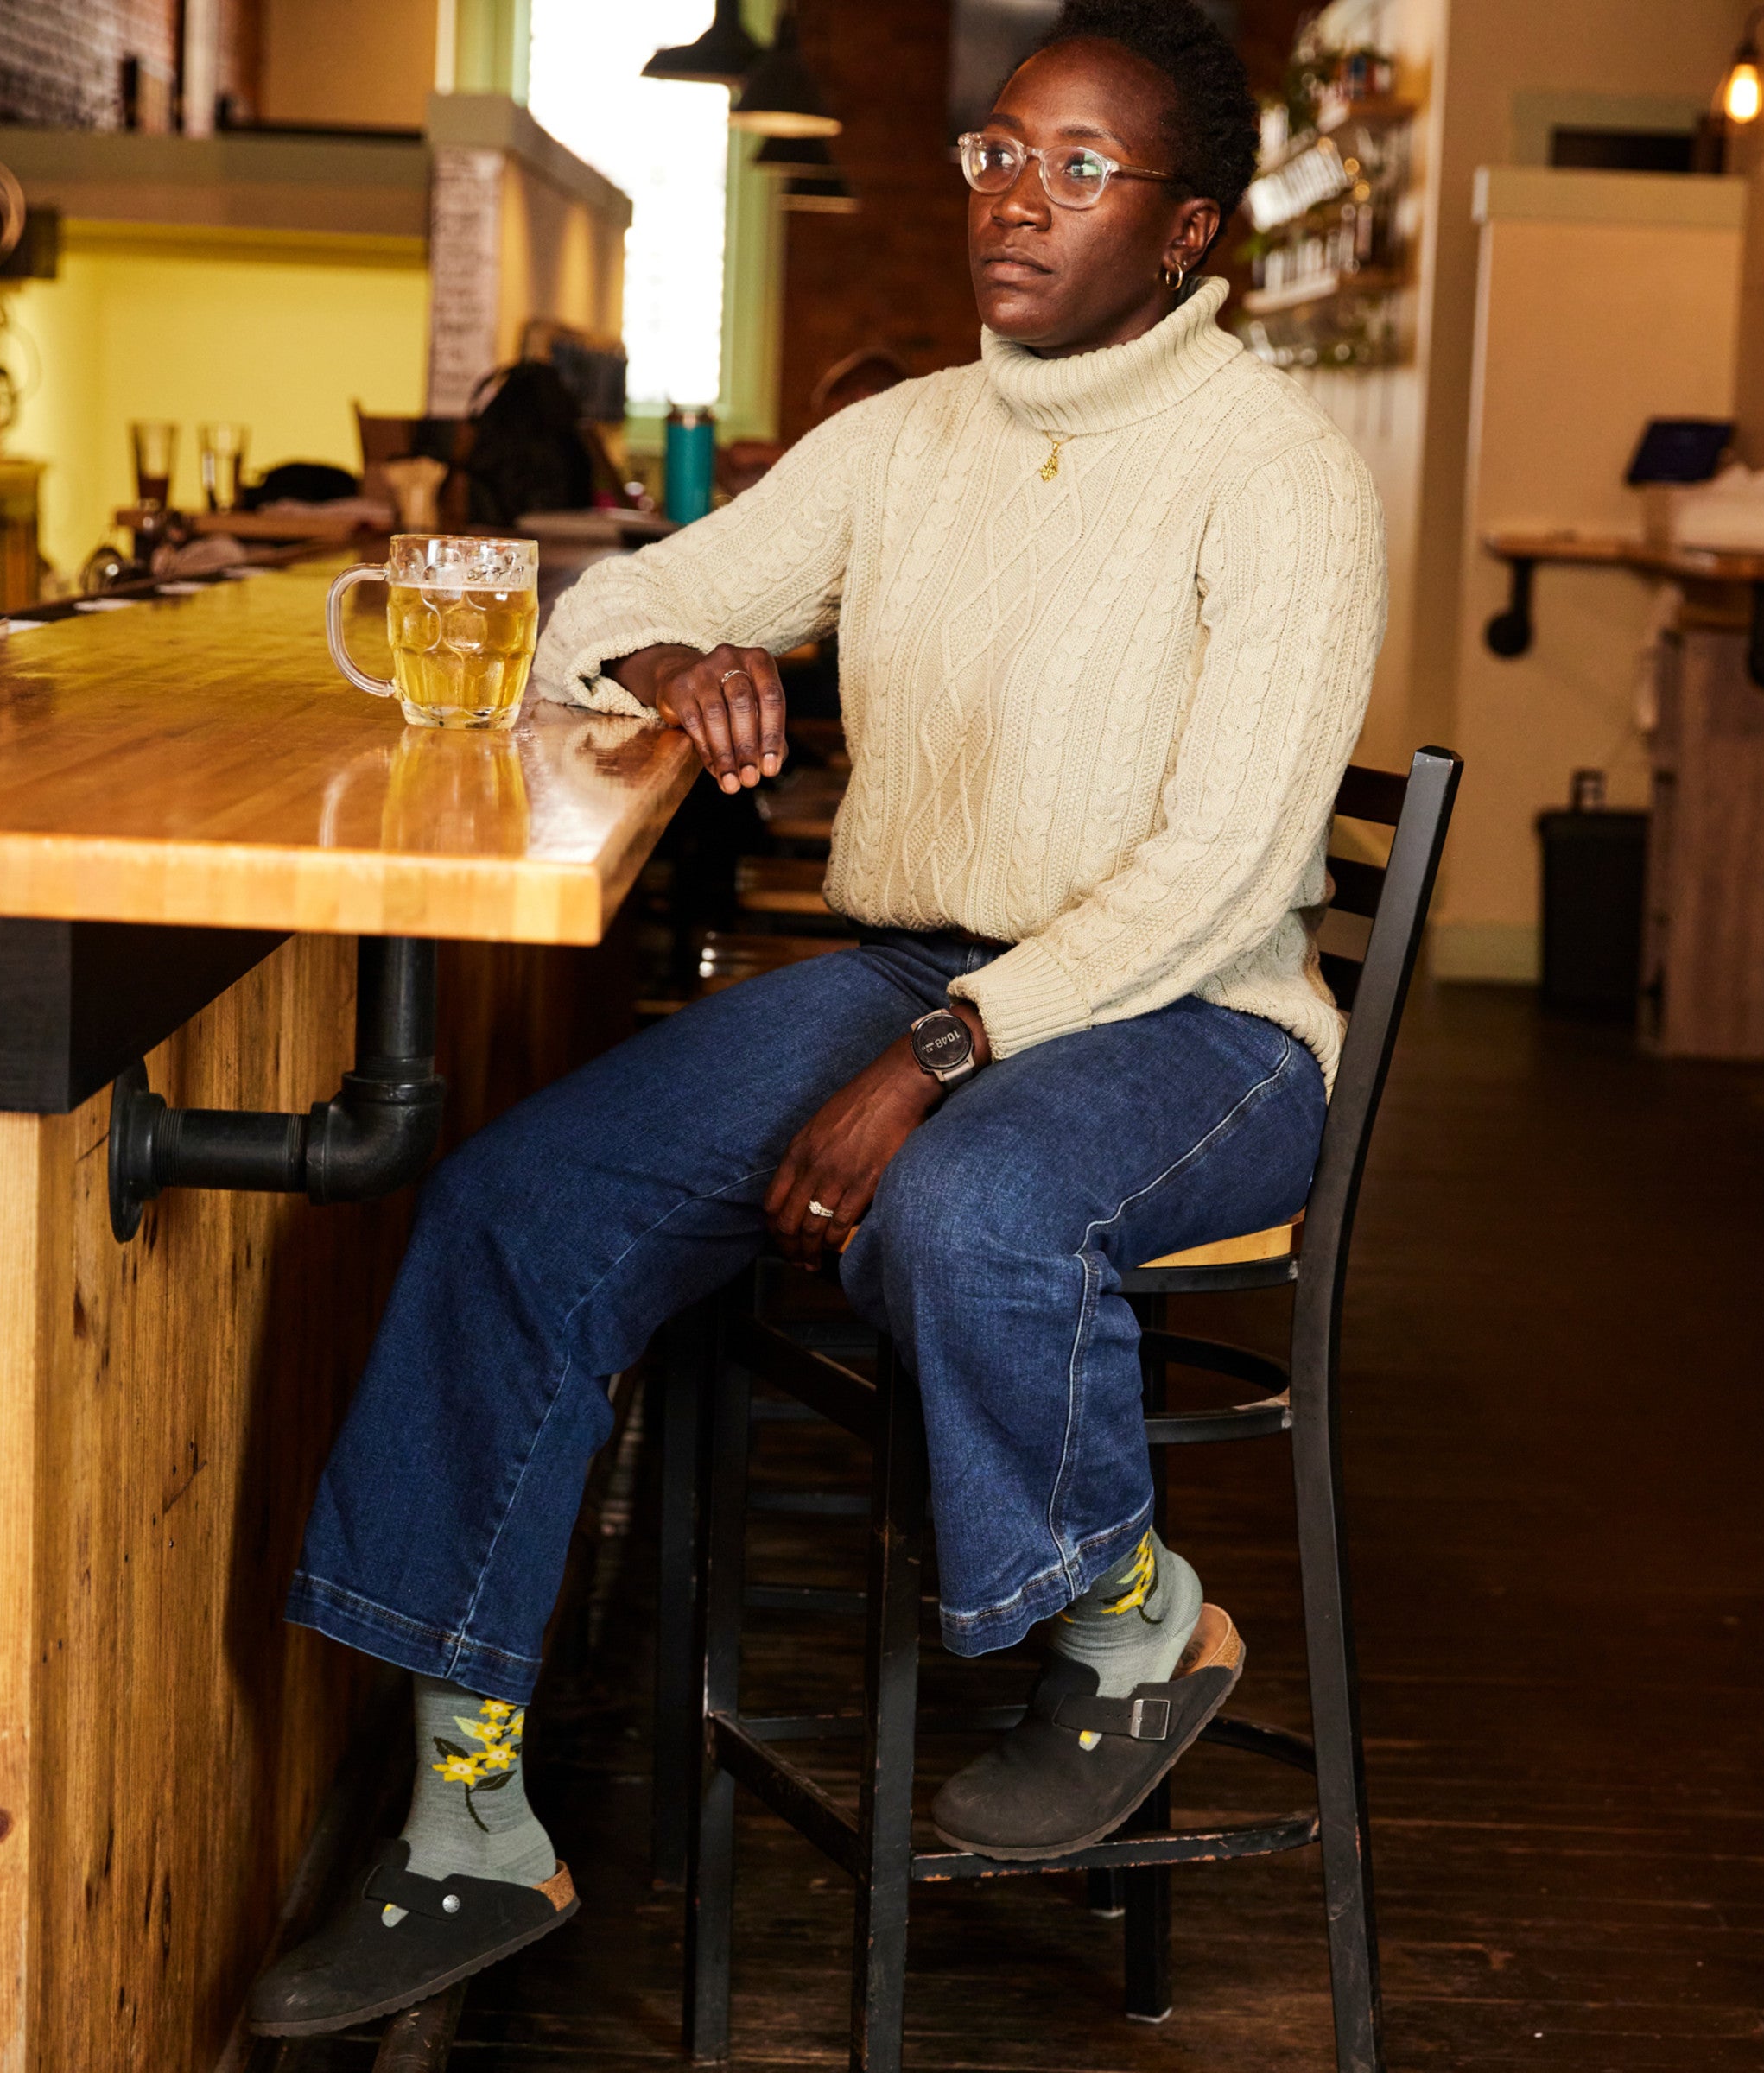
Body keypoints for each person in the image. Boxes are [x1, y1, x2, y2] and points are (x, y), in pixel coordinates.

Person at [250, 0, 1384, 2035]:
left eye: (1080, 168)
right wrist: (679, 650)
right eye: (999, 155)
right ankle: (469, 1822)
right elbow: (571, 615)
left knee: (963, 1212)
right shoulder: (912, 439)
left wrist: (928, 1067)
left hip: (1202, 1029)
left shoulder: (1276, 479)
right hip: (923, 969)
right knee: (523, 1197)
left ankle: (1135, 1627)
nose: (1016, 202)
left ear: (1189, 229)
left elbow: (1223, 867)